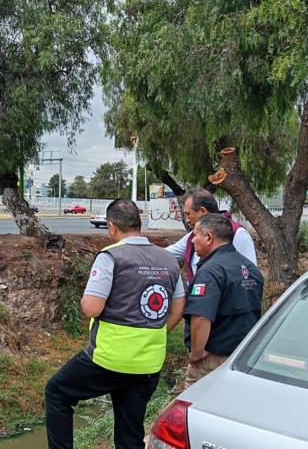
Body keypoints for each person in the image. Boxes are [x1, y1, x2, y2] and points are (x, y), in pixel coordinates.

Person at [45, 199, 185, 449]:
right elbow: (178, 307)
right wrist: (159, 331)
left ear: (111, 227)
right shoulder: (168, 260)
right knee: (129, 434)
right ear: (138, 224)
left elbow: (92, 308)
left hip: (107, 360)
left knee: (57, 393)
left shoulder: (111, 256)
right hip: (148, 364)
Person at [167, 214, 264, 388]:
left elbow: (201, 317)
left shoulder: (211, 271)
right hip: (242, 357)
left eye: (195, 235)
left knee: (193, 408)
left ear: (208, 238)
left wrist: (196, 353)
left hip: (211, 361)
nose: (192, 241)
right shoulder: (250, 269)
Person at [166, 188, 257, 284]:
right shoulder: (191, 238)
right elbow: (165, 254)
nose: (187, 220)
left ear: (202, 211)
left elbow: (250, 278)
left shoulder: (238, 235)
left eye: (188, 214)